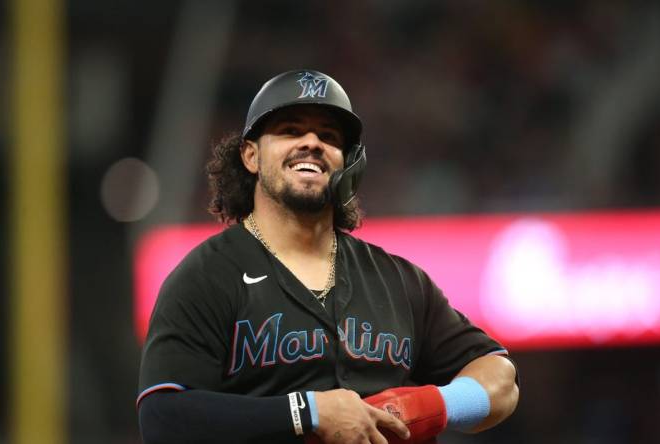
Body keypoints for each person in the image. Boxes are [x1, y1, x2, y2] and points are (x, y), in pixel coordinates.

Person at [137, 69, 519, 444]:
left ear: (348, 163)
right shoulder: (207, 275)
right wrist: (307, 413)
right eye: (290, 130)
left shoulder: (398, 280)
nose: (312, 142)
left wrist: (425, 405)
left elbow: (501, 380)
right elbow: (163, 418)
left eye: (329, 136)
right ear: (250, 156)